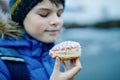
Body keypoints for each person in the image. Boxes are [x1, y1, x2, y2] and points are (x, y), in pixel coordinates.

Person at [0, 0, 82, 80]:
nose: (56, 21)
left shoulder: (51, 53)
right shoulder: (4, 62)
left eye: (59, 14)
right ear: (20, 19)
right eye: (44, 14)